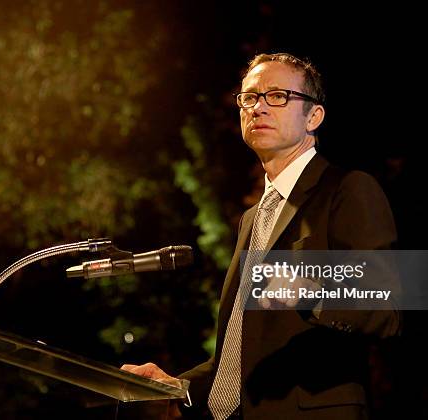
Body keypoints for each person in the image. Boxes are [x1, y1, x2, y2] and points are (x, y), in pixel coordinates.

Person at [121, 52, 401, 419]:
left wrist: (308, 289)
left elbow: (385, 306)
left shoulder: (347, 190)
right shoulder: (253, 218)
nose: (259, 107)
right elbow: (241, 354)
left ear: (314, 117)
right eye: (249, 97)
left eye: (278, 96)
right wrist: (177, 388)